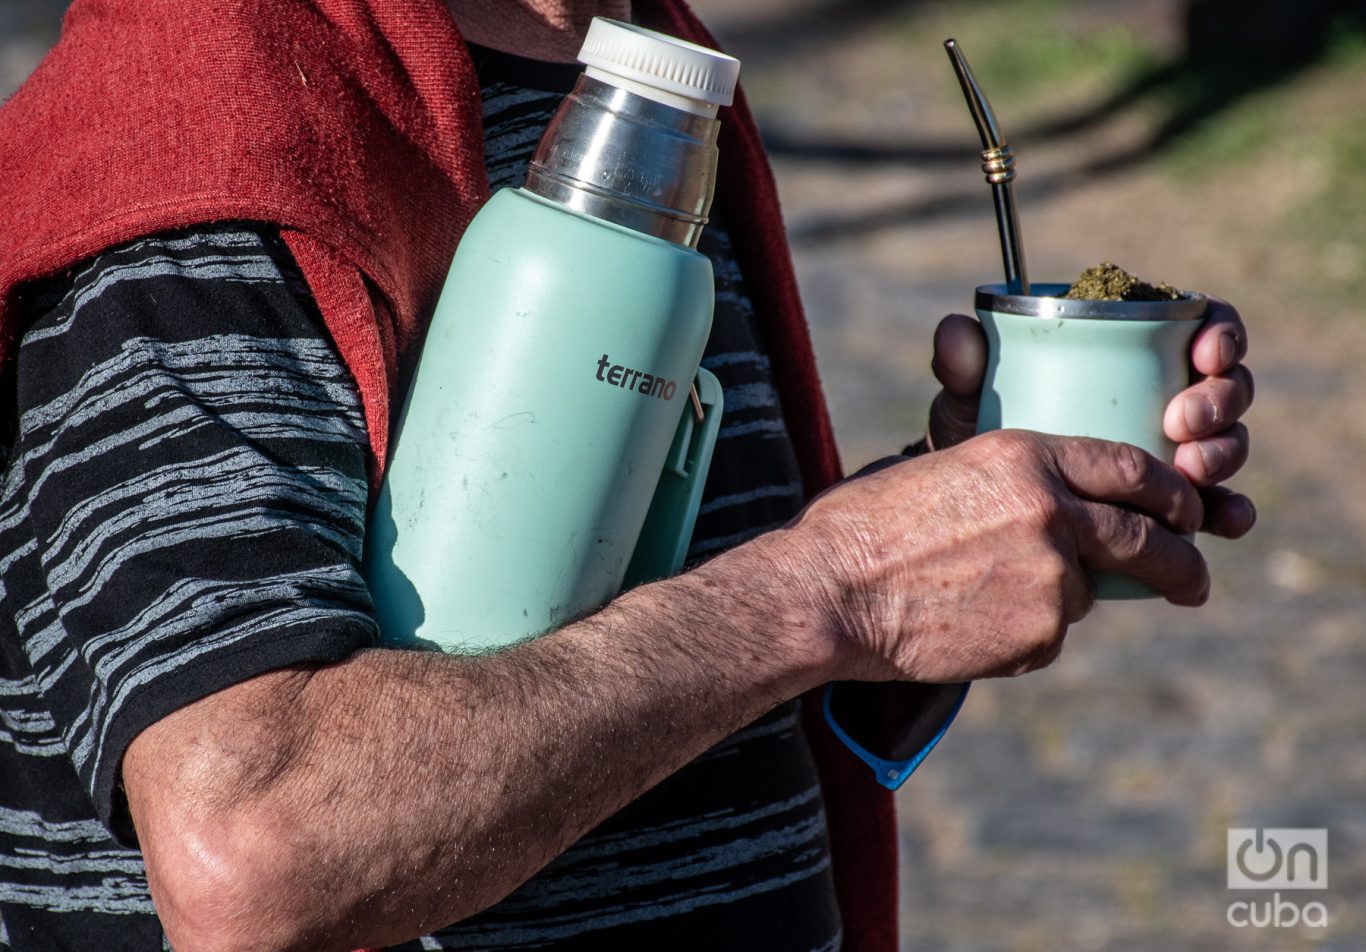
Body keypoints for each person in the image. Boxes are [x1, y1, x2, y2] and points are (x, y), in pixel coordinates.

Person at [0, 1, 1254, 949]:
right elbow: (258, 851)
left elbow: (655, 644)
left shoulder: (644, 85)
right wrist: (837, 586)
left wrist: (954, 527)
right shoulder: (210, 137)